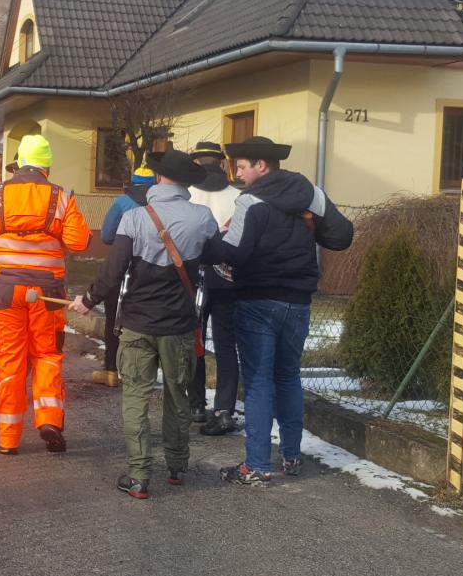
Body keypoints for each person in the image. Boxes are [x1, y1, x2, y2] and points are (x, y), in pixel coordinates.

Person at [203, 136, 354, 486]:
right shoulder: (311, 194)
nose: (238, 175)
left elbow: (235, 252)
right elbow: (343, 236)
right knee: (288, 377)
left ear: (262, 165)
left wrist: (210, 243)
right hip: (298, 301)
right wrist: (311, 223)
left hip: (257, 300)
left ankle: (257, 465)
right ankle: (291, 456)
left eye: (242, 167)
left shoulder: (250, 200)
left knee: (257, 382)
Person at [71, 150, 217, 499]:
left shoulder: (135, 217)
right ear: (186, 182)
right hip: (179, 325)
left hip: (138, 323)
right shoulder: (203, 217)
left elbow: (112, 272)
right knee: (177, 396)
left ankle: (139, 476)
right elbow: (217, 258)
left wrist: (87, 300)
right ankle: (177, 466)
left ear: (158, 178)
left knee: (136, 396)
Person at [0, 134, 91, 455]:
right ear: (47, 166)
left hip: (5, 291)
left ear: (19, 164)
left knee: (9, 360)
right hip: (48, 292)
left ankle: (7, 439)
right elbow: (79, 242)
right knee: (47, 354)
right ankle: (49, 419)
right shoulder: (61, 197)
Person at [187, 141, 242, 435]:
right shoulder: (238, 196)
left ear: (196, 163)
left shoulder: (187, 193)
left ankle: (196, 404)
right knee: (225, 345)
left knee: (193, 340)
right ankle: (224, 409)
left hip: (192, 274)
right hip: (226, 275)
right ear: (221, 163)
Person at [94, 166, 156, 387]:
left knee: (114, 317)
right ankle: (142, 370)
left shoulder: (122, 202)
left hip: (123, 268)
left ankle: (110, 369)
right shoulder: (157, 204)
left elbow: (106, 235)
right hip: (150, 269)